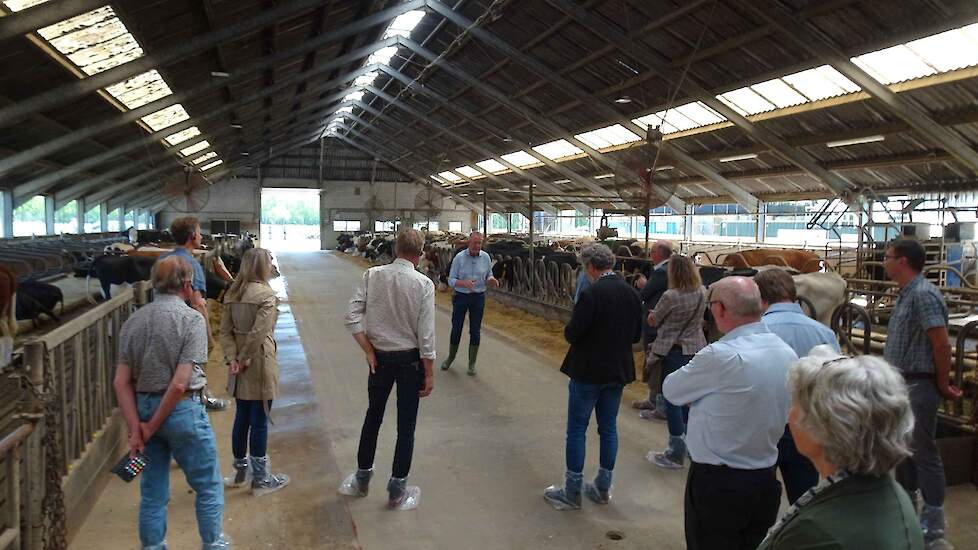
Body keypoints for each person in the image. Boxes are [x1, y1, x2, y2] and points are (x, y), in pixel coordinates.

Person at [663, 276, 797, 550]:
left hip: (719, 483)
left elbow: (671, 390)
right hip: (764, 478)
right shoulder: (786, 353)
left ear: (720, 309)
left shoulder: (720, 355)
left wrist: (699, 398)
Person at [112, 255, 230, 550]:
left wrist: (136, 429)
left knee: (152, 492)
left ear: (154, 283)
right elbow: (179, 383)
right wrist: (150, 427)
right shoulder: (191, 320)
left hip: (142, 408)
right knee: (207, 485)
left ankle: (152, 546)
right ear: (187, 285)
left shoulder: (133, 321)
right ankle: (212, 543)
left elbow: (120, 382)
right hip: (182, 410)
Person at [756, 346, 924, 549]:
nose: (790, 414)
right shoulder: (891, 493)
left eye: (797, 404)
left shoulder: (814, 533)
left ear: (826, 427)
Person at [340, 229, 435, 509]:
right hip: (410, 361)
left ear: (395, 249)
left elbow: (351, 317)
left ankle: (361, 479)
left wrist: (369, 350)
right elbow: (426, 335)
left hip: (379, 360)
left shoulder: (373, 275)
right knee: (406, 426)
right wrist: (428, 372)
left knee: (373, 417)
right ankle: (396, 490)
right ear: (420, 253)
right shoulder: (424, 284)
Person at [543, 243, 642, 510]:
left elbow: (573, 333)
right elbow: (636, 336)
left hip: (588, 371)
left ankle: (572, 491)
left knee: (577, 429)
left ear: (589, 266)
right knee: (608, 428)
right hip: (618, 370)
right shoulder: (632, 294)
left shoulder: (592, 293)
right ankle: (602, 487)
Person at [883, 238, 961, 547]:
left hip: (919, 385)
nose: (884, 262)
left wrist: (942, 384)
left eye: (888, 257)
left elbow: (942, 344)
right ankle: (908, 514)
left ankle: (933, 528)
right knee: (904, 452)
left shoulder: (924, 295)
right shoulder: (906, 294)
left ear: (902, 261)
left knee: (923, 452)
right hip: (901, 384)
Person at [756, 268, 840, 504]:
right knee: (804, 498)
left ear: (760, 297)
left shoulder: (756, 330)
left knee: (760, 500)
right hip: (807, 426)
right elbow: (833, 382)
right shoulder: (824, 333)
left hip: (764, 427)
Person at [219, 248, 289, 496]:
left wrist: (232, 358)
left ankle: (240, 472)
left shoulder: (233, 293)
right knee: (259, 419)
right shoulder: (266, 295)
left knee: (242, 417)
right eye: (269, 263)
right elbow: (260, 331)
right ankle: (260, 478)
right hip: (258, 360)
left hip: (238, 363)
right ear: (261, 267)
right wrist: (245, 357)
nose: (271, 267)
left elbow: (225, 331)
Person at [645, 255, 708, 470]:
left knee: (672, 398)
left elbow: (654, 320)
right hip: (695, 349)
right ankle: (692, 444)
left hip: (672, 350)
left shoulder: (670, 296)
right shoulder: (702, 291)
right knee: (689, 398)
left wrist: (652, 315)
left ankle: (675, 452)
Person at [159, 216, 227, 411]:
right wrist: (207, 331)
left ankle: (170, 399)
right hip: (187, 322)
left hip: (163, 318)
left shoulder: (163, 259)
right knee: (196, 360)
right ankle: (201, 398)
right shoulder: (191, 264)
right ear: (191, 237)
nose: (200, 236)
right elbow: (197, 303)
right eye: (198, 232)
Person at [440, 231, 499, 375]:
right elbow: (451, 280)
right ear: (469, 243)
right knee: (457, 328)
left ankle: (472, 364)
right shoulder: (459, 258)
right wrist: (463, 283)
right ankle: (451, 357)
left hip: (478, 297)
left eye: (479, 243)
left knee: (475, 330)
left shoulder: (485, 257)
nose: (477, 246)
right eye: (474, 243)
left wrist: (491, 279)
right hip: (461, 296)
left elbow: (488, 274)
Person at [631, 240, 672, 417]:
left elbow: (646, 293)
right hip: (662, 321)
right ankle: (655, 399)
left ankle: (655, 401)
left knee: (654, 363)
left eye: (652, 251)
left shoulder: (661, 271)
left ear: (658, 254)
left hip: (654, 320)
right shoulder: (670, 268)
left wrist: (642, 285)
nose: (650, 254)